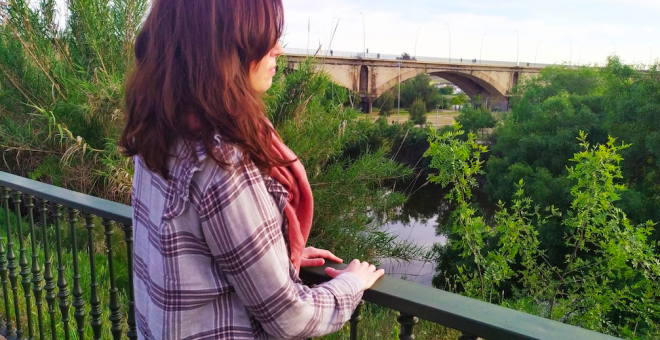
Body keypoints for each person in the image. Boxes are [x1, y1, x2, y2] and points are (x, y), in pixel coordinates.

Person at [119, 0, 385, 339]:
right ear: (221, 49)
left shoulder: (158, 131)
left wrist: (276, 256)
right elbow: (292, 318)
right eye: (261, 37)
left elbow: (194, 254)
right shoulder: (222, 161)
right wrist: (352, 283)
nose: (279, 48)